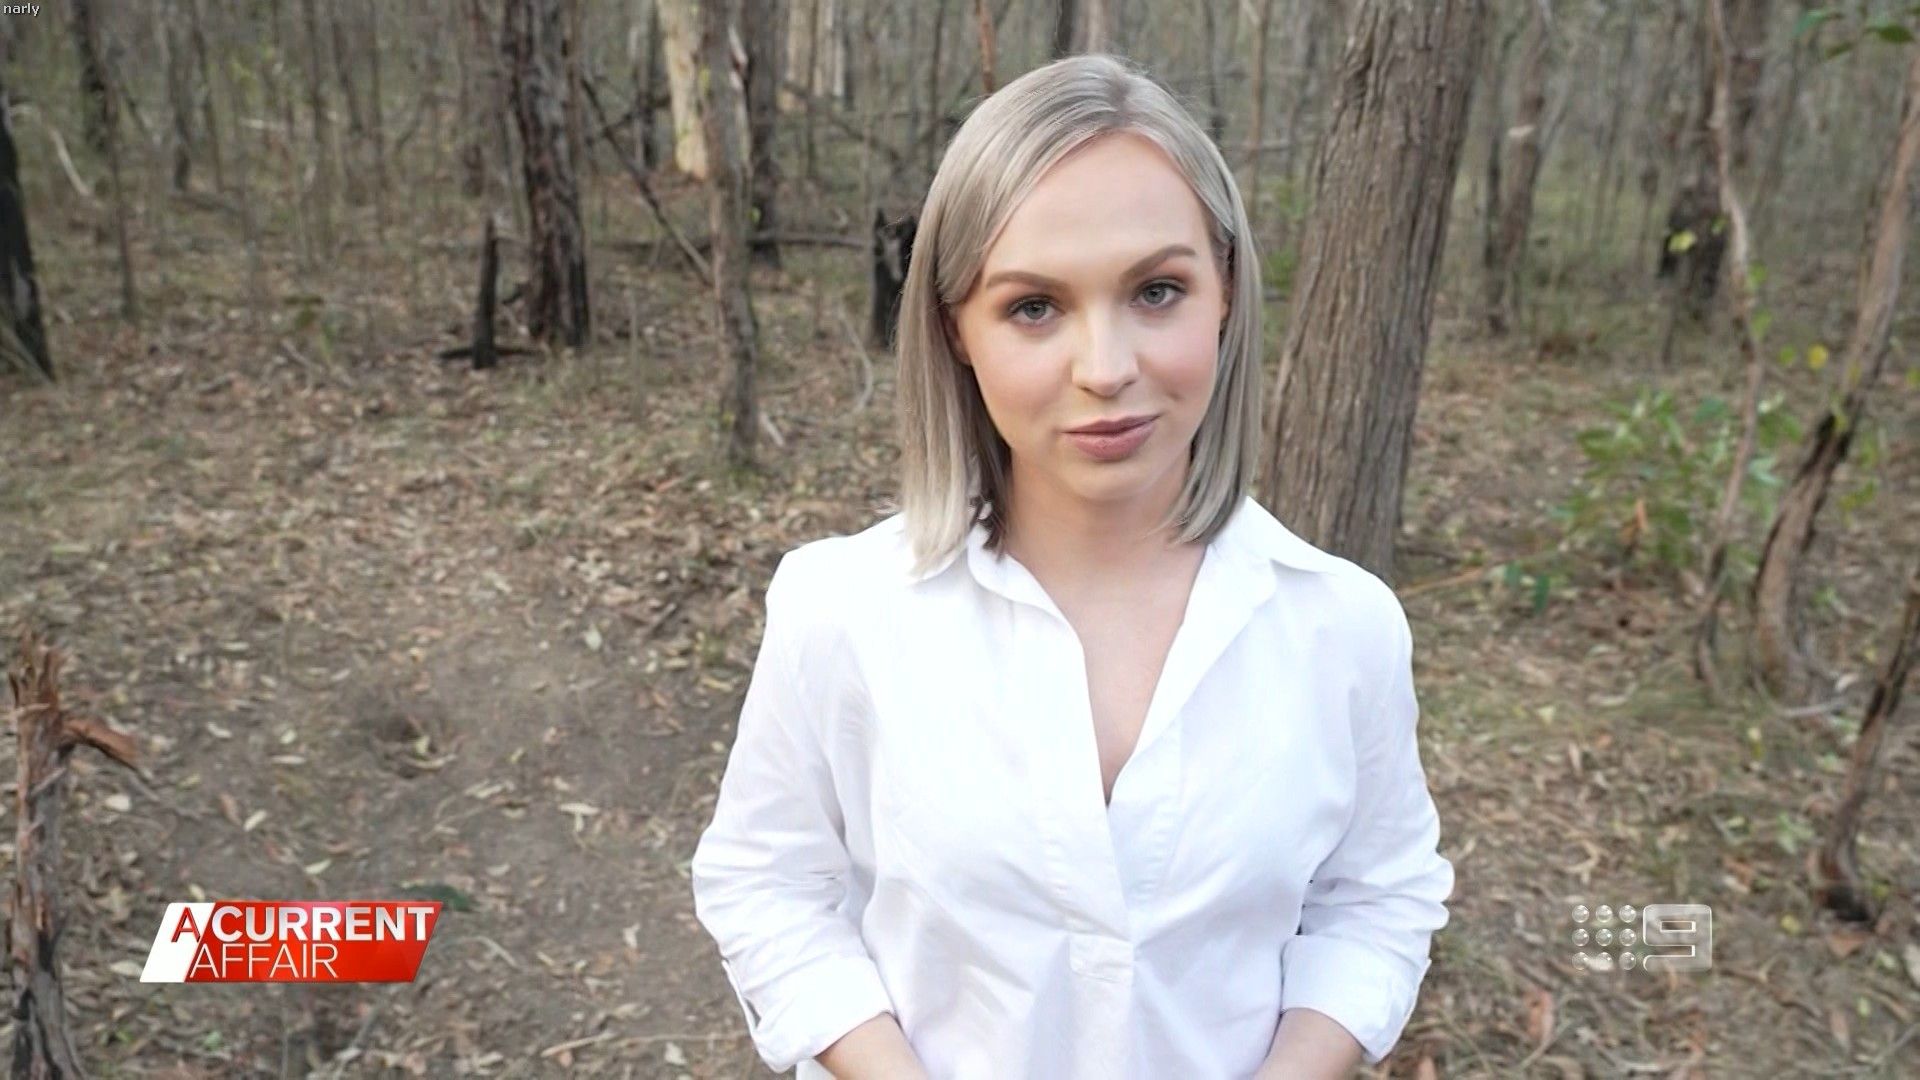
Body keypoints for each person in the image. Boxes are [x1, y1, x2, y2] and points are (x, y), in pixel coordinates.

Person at [690, 52, 1454, 1080]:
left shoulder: (1344, 627)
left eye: (1157, 290)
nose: (1106, 369)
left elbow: (1379, 899)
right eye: (1034, 307)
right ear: (956, 328)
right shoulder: (842, 610)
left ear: (1226, 292)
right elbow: (766, 885)